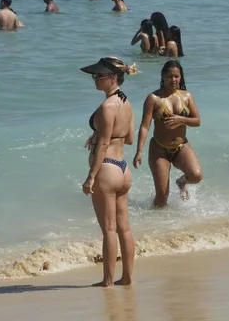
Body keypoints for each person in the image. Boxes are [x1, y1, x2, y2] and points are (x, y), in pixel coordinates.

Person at [80, 56, 138, 287]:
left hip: (106, 171)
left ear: (113, 78)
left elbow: (103, 145)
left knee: (109, 229)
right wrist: (98, 135)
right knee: (124, 229)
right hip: (123, 170)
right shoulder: (126, 102)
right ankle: (127, 278)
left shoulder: (106, 106)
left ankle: (107, 280)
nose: (95, 80)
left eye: (99, 76)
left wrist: (91, 176)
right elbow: (130, 138)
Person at [133, 60, 202, 207]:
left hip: (181, 146)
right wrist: (139, 151)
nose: (173, 80)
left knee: (196, 175)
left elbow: (197, 121)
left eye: (177, 76)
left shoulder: (187, 96)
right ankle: (157, 226)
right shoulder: (153, 98)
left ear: (181, 77)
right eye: (170, 76)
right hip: (159, 148)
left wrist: (181, 119)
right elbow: (145, 126)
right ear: (163, 77)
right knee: (161, 198)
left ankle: (181, 182)